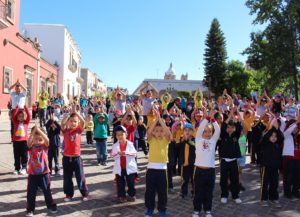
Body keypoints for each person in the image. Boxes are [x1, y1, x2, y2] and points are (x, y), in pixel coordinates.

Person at [193, 109, 220, 217]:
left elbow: (217, 130)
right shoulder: (198, 139)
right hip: (199, 171)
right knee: (198, 192)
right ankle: (196, 210)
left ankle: (208, 210)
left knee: (209, 192)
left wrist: (213, 119)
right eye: (205, 131)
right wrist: (207, 118)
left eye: (209, 131)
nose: (207, 133)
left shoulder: (213, 141)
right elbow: (199, 129)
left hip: (210, 171)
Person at [26, 123, 57, 217]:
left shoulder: (44, 147)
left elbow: (47, 140)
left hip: (44, 173)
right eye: (36, 139)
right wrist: (33, 132)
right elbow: (28, 142)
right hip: (32, 174)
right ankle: (30, 209)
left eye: (40, 139)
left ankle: (51, 205)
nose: (38, 141)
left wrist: (39, 131)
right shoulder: (31, 147)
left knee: (47, 191)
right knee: (31, 193)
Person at [144, 114, 172, 217]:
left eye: (161, 131)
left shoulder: (166, 140)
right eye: (157, 131)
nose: (159, 133)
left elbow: (169, 133)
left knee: (162, 192)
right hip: (151, 170)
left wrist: (161, 121)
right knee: (150, 191)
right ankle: (150, 209)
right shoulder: (151, 140)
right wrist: (156, 121)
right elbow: (149, 132)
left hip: (162, 170)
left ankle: (162, 210)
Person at [61, 105, 89, 202]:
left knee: (80, 176)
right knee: (67, 178)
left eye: (75, 121)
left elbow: (83, 122)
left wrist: (76, 112)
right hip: (66, 158)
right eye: (71, 121)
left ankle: (84, 193)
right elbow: (62, 124)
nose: (73, 123)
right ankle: (69, 194)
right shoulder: (66, 131)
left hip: (76, 158)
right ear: (69, 122)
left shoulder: (79, 130)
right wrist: (68, 114)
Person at [219, 108, 243, 204]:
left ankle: (235, 196)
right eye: (229, 127)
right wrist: (229, 116)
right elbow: (223, 125)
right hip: (224, 161)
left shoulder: (236, 135)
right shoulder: (224, 135)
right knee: (223, 179)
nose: (230, 129)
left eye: (232, 127)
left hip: (233, 161)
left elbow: (239, 126)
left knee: (235, 179)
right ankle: (224, 195)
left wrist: (234, 116)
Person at [260, 119, 283, 208]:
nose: (273, 138)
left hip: (275, 167)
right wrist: (270, 128)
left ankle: (274, 198)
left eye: (275, 136)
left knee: (274, 183)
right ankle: (264, 199)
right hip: (266, 166)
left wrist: (277, 129)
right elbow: (264, 138)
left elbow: (281, 137)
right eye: (272, 136)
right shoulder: (265, 143)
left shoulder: (278, 143)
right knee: (265, 183)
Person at [111, 125, 138, 203]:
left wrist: (126, 153)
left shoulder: (130, 144)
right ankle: (121, 196)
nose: (119, 136)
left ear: (126, 134)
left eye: (121, 134)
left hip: (129, 168)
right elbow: (112, 155)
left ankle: (131, 195)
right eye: (117, 135)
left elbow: (134, 154)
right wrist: (118, 154)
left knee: (130, 182)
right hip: (119, 168)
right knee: (120, 183)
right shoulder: (115, 145)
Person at [12, 104, 30, 175]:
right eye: (19, 116)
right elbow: (13, 116)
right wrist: (17, 108)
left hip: (24, 142)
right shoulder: (15, 122)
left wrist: (25, 107)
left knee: (24, 156)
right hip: (16, 142)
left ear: (24, 117)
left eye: (22, 116)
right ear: (17, 117)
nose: (21, 118)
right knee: (16, 156)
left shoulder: (26, 123)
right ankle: (17, 168)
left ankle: (24, 168)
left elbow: (29, 116)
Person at [179, 123, 195, 198]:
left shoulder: (194, 140)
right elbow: (179, 146)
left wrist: (187, 140)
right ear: (183, 131)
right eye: (185, 130)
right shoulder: (181, 139)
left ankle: (194, 192)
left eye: (189, 130)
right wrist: (184, 140)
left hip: (193, 163)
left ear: (192, 131)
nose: (187, 132)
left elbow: (192, 145)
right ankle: (184, 192)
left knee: (193, 179)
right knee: (184, 179)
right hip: (184, 163)